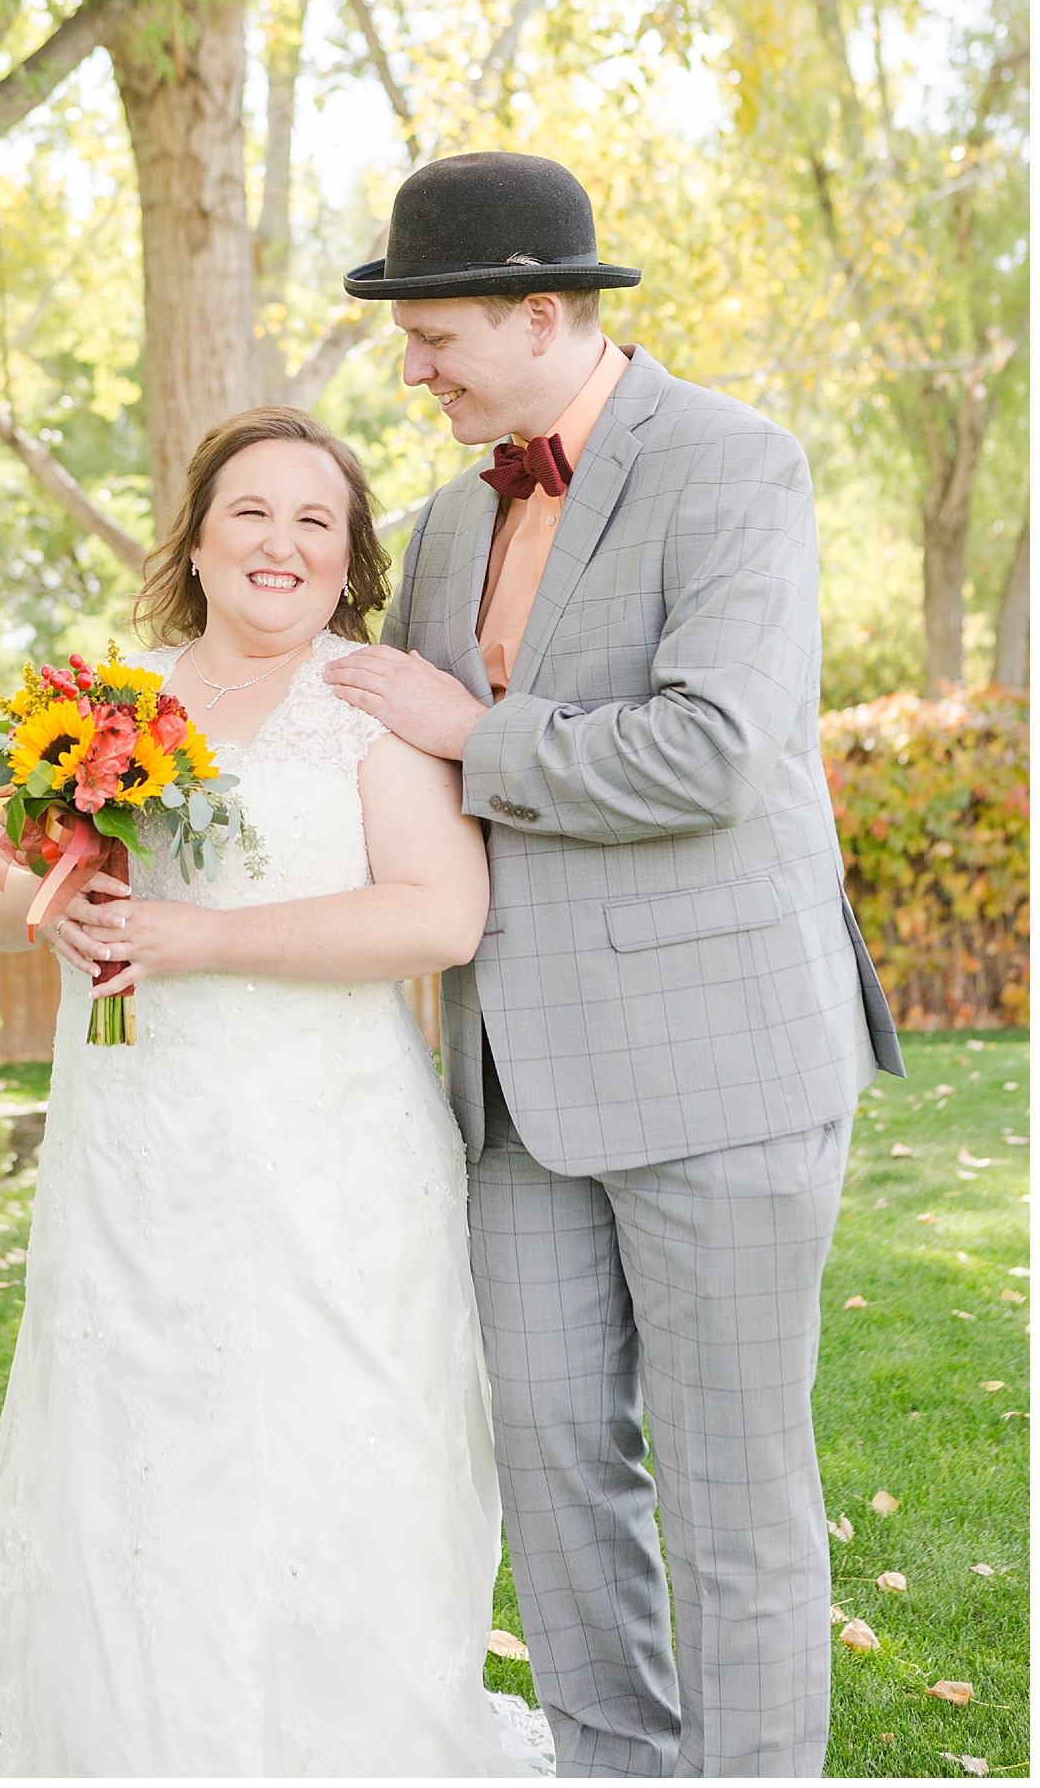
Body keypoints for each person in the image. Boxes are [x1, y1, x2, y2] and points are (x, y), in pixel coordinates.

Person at [0, 407, 552, 1779]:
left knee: (338, 1426)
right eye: (250, 513)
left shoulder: (373, 703)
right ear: (199, 540)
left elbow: (440, 918)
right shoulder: (108, 703)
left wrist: (195, 936)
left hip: (325, 1147)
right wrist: (39, 892)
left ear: (347, 560)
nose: (279, 543)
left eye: (313, 521)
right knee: (137, 1434)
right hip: (138, 1142)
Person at [326, 150, 905, 1779]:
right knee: (561, 1479)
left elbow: (713, 754)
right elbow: (399, 780)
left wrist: (476, 732)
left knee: (734, 1497)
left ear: (537, 308)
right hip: (511, 1089)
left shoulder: (735, 467)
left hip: (722, 1062)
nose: (414, 367)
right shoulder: (447, 526)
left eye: (433, 334)